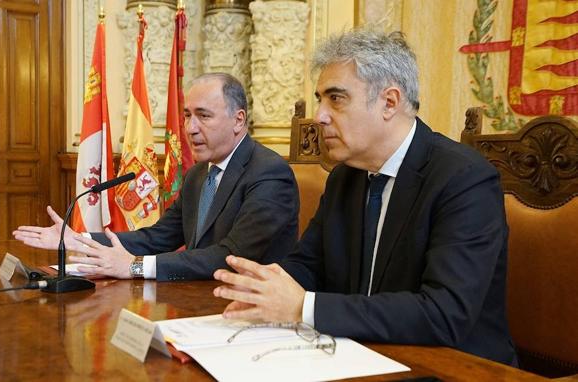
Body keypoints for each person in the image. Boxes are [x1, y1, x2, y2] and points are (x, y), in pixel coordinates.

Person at [211, 30, 518, 366]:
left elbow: (443, 314)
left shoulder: (464, 178)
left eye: (336, 99)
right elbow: (309, 265)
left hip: (454, 366)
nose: (319, 115)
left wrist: (302, 306)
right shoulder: (347, 175)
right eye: (320, 99)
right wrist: (260, 288)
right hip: (360, 352)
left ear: (389, 102)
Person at [13, 73, 299, 281]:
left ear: (239, 120)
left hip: (251, 308)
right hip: (199, 298)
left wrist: (135, 267)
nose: (190, 128)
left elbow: (230, 256)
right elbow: (157, 238)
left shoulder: (269, 174)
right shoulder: (199, 173)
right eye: (187, 116)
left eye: (203, 116)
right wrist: (78, 240)